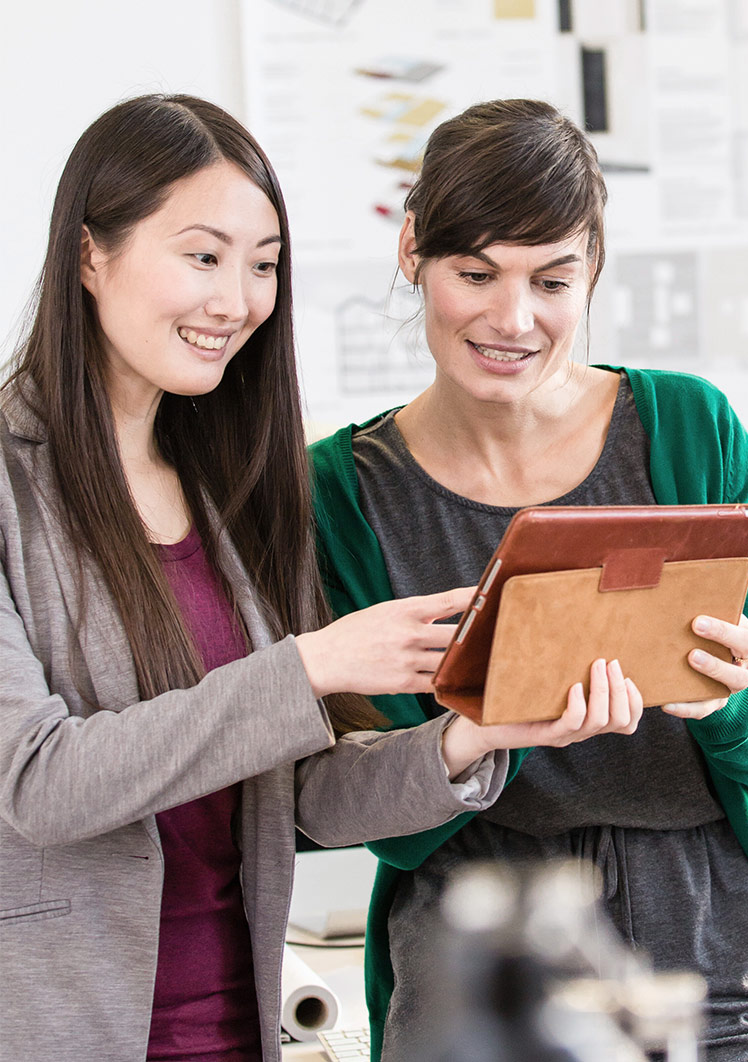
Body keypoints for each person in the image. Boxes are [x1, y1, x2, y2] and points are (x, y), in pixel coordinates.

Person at [0, 94, 643, 1062]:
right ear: (91, 253)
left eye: (263, 267)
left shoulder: (231, 488)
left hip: (236, 1025)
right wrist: (307, 666)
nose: (237, 301)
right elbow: (41, 783)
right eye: (204, 256)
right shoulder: (12, 485)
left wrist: (473, 734)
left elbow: (297, 794)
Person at [308, 98, 748, 1061]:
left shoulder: (690, 431)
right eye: (475, 274)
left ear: (594, 269)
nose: (511, 319)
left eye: (551, 280)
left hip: (711, 944)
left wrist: (725, 705)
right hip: (474, 941)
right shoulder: (341, 492)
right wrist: (475, 735)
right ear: (412, 252)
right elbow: (364, 816)